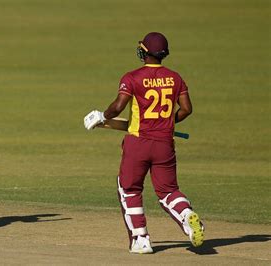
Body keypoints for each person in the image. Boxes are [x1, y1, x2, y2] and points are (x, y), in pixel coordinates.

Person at [83, 32, 203, 253]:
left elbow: (118, 107)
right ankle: (186, 215)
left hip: (138, 143)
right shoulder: (176, 78)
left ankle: (141, 239)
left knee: (129, 188)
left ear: (145, 52)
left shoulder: (132, 77)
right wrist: (167, 122)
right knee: (168, 191)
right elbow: (187, 109)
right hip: (165, 143)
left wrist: (102, 116)